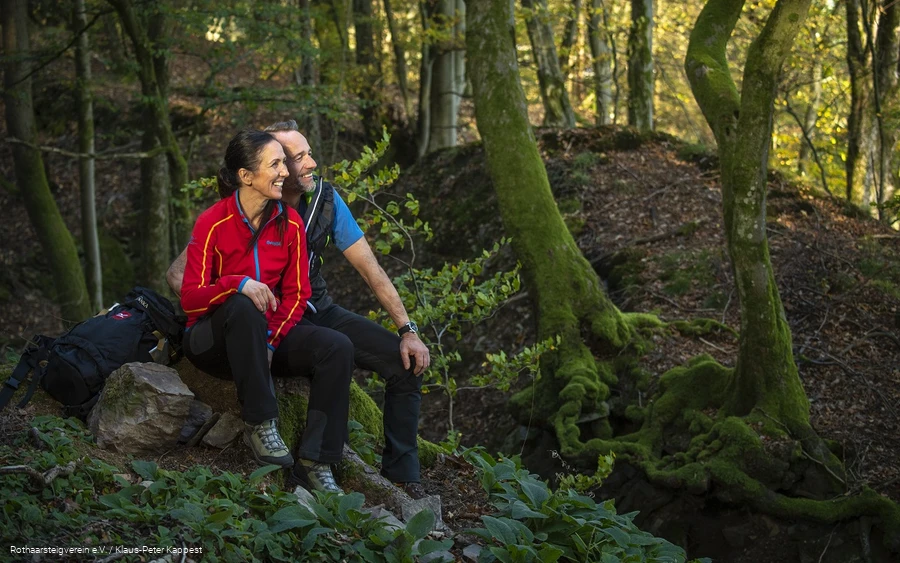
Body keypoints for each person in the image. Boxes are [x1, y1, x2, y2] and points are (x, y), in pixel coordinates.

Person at [168, 120, 430, 498]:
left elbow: (370, 270)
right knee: (252, 313)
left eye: (305, 154)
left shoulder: (319, 204)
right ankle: (267, 428)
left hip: (310, 308)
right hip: (249, 314)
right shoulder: (229, 213)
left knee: (399, 359)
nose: (311, 163)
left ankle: (400, 476)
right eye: (296, 157)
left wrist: (408, 329)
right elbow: (181, 280)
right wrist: (235, 292)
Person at [180, 129, 350, 493]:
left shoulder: (289, 223)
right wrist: (236, 283)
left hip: (262, 339)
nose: (284, 172)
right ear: (246, 176)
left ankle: (316, 462)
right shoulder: (212, 222)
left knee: (337, 347)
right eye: (275, 164)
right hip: (210, 342)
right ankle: (260, 423)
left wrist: (271, 342)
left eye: (283, 164)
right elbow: (190, 298)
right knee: (243, 306)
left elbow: (298, 294)